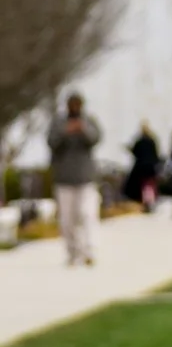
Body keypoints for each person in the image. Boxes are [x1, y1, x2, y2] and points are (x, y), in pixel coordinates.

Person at [48, 93, 102, 267]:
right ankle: (72, 253)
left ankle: (89, 251)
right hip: (64, 179)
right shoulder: (58, 123)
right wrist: (66, 132)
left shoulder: (89, 120)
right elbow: (51, 142)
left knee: (88, 215)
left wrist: (82, 129)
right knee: (67, 220)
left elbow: (96, 138)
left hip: (85, 178)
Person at [124, 122, 161, 209]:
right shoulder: (152, 141)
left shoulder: (140, 141)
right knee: (150, 185)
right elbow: (156, 154)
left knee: (144, 186)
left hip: (141, 168)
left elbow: (135, 152)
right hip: (151, 168)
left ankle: (146, 202)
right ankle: (151, 201)